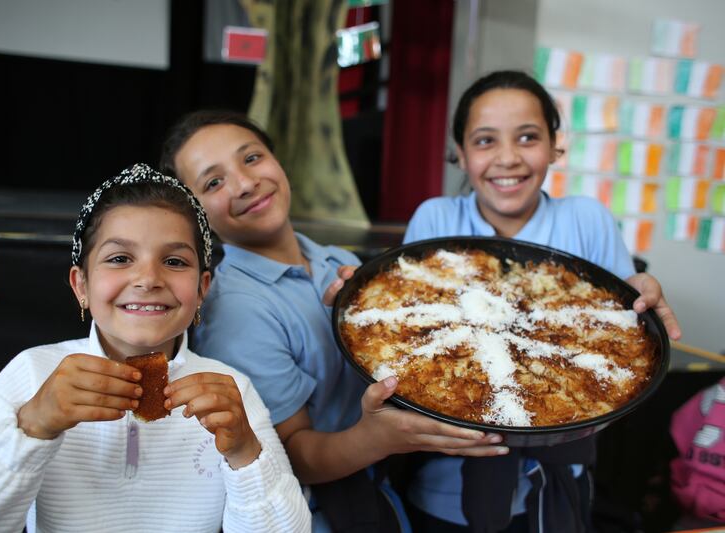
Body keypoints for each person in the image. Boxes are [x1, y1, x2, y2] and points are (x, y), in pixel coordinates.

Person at [160, 111, 508, 532]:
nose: (245, 183)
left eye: (251, 158)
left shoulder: (338, 261)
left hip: (384, 493)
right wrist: (377, 438)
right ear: (195, 213)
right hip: (319, 513)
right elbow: (288, 454)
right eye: (213, 182)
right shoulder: (235, 311)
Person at [0, 164, 310, 533]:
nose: (147, 278)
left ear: (202, 290)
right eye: (120, 258)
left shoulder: (232, 390)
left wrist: (245, 453)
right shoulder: (33, 372)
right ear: (81, 286)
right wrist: (32, 427)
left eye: (174, 261)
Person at [401, 70, 683, 532]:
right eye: (485, 141)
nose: (507, 158)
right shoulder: (436, 218)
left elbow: (620, 325)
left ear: (555, 145)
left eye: (528, 137)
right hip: (445, 488)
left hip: (561, 484)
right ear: (459, 152)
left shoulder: (585, 219)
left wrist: (642, 298)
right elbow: (410, 338)